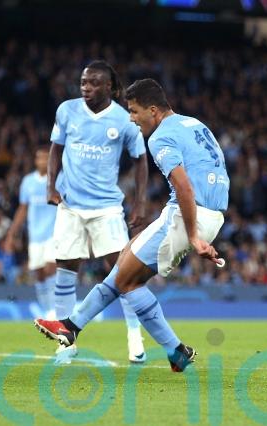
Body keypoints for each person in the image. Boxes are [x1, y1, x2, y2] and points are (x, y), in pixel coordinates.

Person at [35, 78, 229, 372]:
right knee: (124, 261)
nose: (131, 118)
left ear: (153, 110)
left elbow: (184, 187)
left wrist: (193, 235)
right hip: (206, 212)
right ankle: (70, 326)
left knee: (128, 281)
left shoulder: (160, 137)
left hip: (189, 214)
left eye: (135, 111)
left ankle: (174, 349)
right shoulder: (193, 124)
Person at [47, 60, 148, 363]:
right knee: (65, 268)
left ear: (109, 87)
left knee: (124, 272)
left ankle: (135, 337)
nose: (86, 88)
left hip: (107, 208)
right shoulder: (67, 110)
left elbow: (141, 159)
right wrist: (50, 186)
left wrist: (140, 202)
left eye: (93, 83)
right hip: (70, 205)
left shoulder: (123, 119)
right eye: (83, 82)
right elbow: (55, 149)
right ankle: (66, 341)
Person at [3, 146, 56, 318]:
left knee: (50, 268)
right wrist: (11, 234)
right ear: (36, 160)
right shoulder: (28, 182)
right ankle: (48, 310)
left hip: (54, 234)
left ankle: (54, 311)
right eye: (40, 158)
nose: (43, 161)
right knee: (39, 274)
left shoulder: (58, 179)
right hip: (35, 236)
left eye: (46, 158)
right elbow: (23, 209)